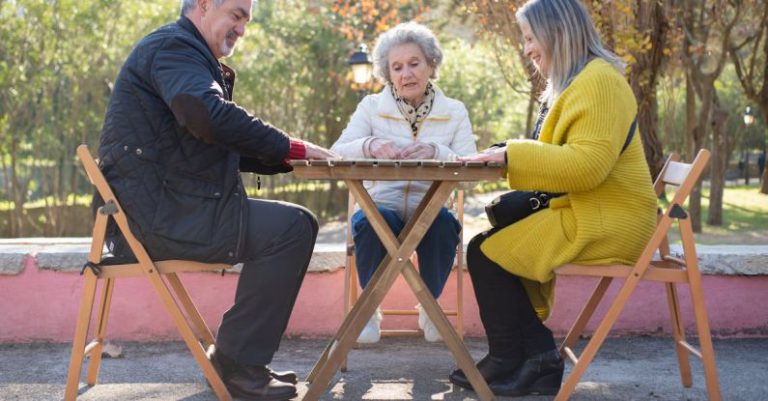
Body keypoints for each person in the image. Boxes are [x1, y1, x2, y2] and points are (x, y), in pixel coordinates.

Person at [96, 0, 338, 400]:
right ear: (204, 5)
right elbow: (207, 115)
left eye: (246, 20)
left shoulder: (182, 51)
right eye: (236, 15)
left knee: (297, 224)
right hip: (153, 218)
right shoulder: (174, 48)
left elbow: (205, 138)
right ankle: (238, 366)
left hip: (160, 209)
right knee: (292, 229)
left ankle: (235, 359)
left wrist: (284, 156)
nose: (241, 29)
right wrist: (290, 147)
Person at [447, 0, 658, 397]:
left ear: (556, 33)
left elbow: (587, 165)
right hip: (593, 210)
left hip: (610, 219)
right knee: (484, 248)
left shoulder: (600, 82)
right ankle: (515, 356)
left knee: (487, 254)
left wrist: (512, 155)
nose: (526, 49)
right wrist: (508, 151)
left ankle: (534, 356)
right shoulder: (580, 81)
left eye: (529, 38)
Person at [331, 22, 477, 343]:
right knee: (372, 221)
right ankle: (368, 310)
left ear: (431, 65)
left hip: (431, 208)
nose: (406, 74)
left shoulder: (454, 112)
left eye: (414, 63)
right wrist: (368, 146)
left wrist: (437, 151)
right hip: (383, 205)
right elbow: (336, 153)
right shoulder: (371, 107)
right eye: (396, 67)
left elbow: (472, 170)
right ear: (387, 73)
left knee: (442, 224)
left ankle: (429, 307)